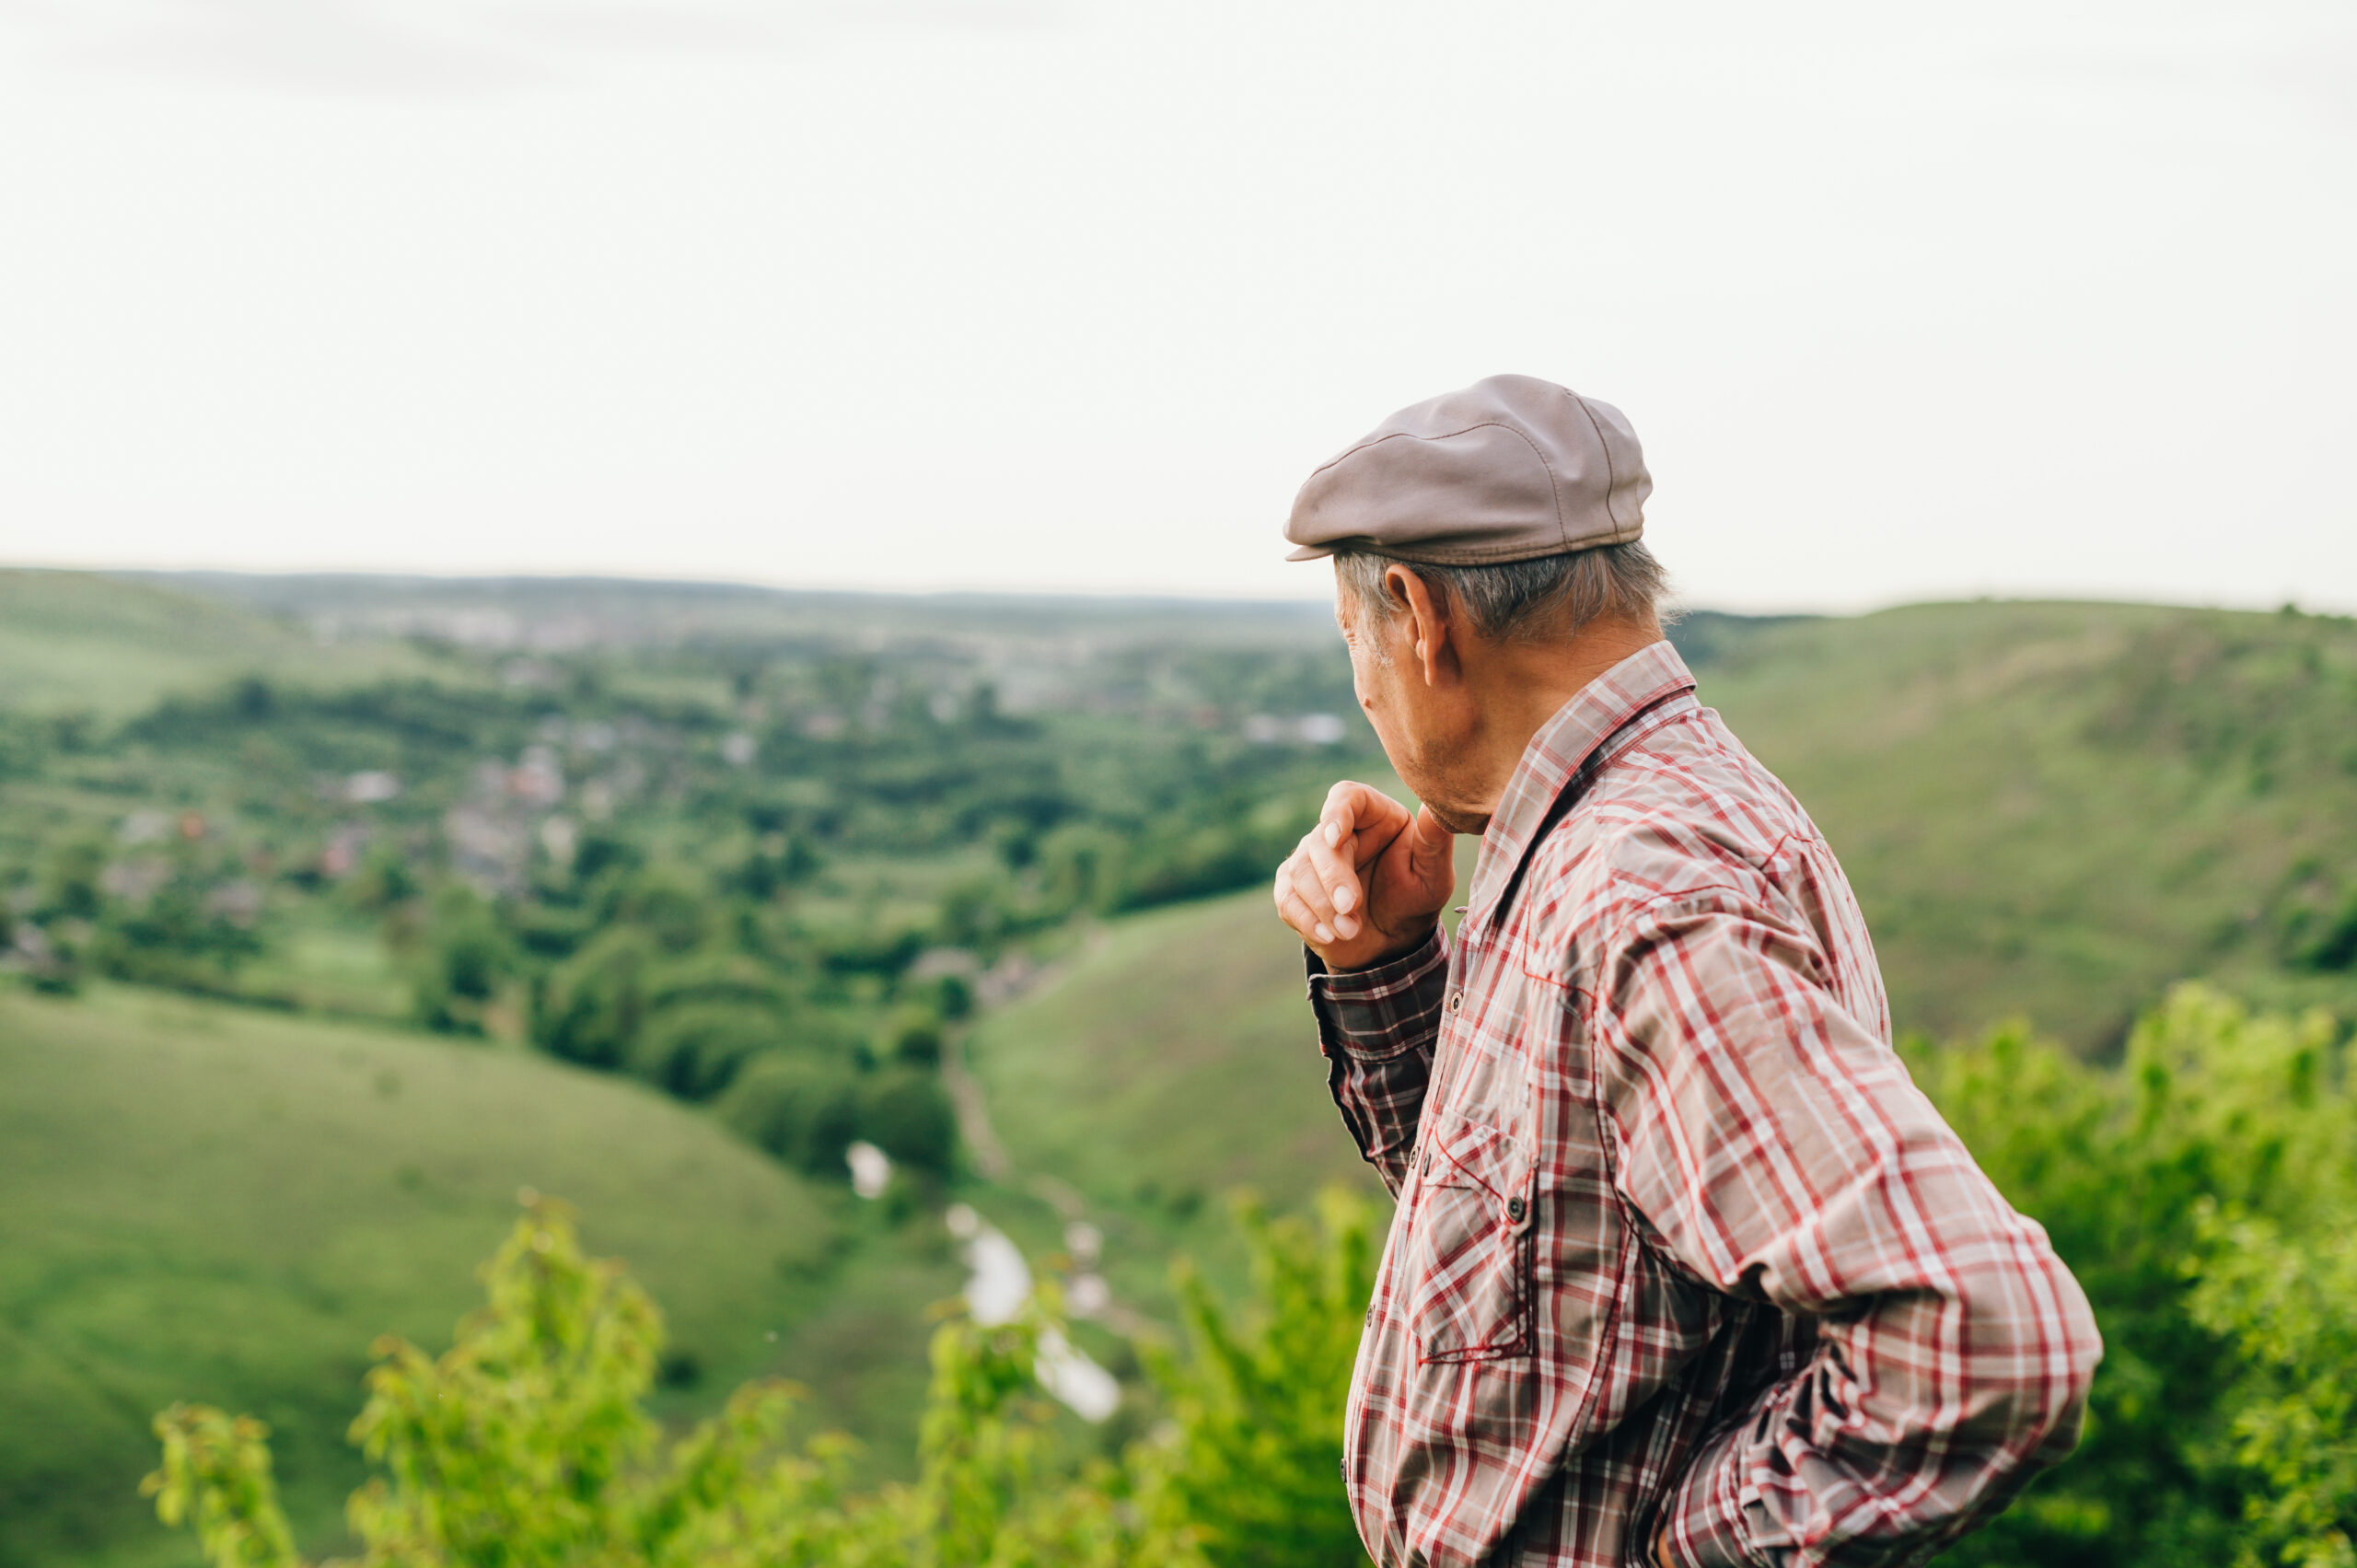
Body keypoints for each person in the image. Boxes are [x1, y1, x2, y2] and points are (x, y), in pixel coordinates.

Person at [1271, 375, 2100, 1568]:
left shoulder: (1641, 896)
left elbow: (1986, 1342)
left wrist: (1685, 1555)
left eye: (1357, 642)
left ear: (1417, 614)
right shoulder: (1600, 828)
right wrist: (1383, 962)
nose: (1364, 692)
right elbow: (1547, 1256)